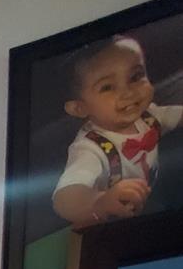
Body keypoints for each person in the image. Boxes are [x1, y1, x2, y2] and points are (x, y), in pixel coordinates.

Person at [52, 34, 182, 227]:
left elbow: (177, 115)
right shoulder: (89, 148)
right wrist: (98, 203)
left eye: (136, 76)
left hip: (154, 198)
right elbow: (65, 198)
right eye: (107, 87)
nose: (128, 92)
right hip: (116, 224)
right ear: (80, 108)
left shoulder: (148, 116)